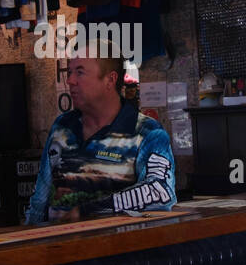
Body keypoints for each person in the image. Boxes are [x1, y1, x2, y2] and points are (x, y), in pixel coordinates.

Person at [25, 43, 177, 223]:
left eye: (80, 72)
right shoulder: (62, 126)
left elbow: (159, 192)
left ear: (110, 80)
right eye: (70, 72)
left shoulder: (147, 132)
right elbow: (40, 200)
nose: (70, 80)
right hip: (57, 248)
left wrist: (87, 211)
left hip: (115, 248)